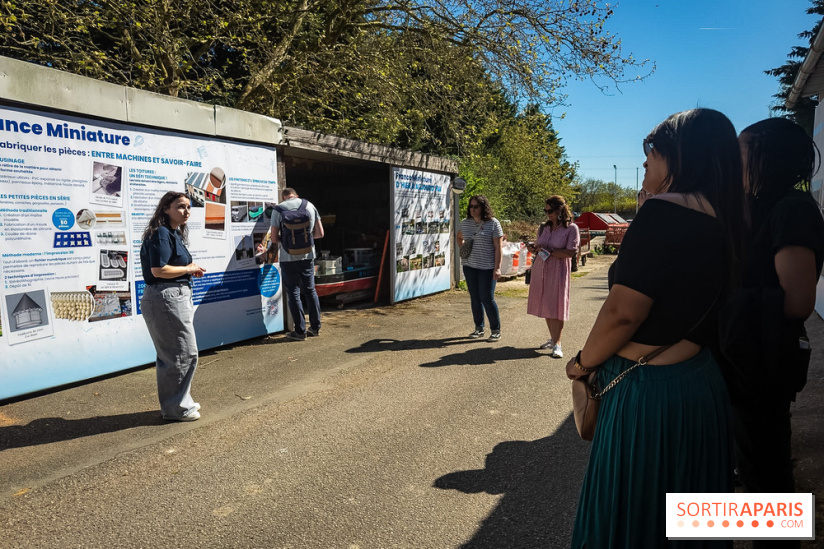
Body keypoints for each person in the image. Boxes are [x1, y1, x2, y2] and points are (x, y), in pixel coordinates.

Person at [567, 108, 745, 547]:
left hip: (648, 392)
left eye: (654, 150)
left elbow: (623, 314)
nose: (646, 160)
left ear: (681, 155)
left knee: (630, 514)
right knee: (685, 520)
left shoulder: (664, 211)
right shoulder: (726, 218)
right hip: (699, 384)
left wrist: (581, 364)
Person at [730, 118, 824, 543]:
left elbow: (798, 300)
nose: (732, 161)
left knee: (766, 474)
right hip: (748, 358)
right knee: (751, 469)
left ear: (767, 157)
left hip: (765, 363)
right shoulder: (764, 207)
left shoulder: (793, 209)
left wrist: (721, 301)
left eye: (740, 151)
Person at [139, 191, 207, 422]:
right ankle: (176, 408)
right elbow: (159, 270)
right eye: (180, 206)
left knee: (177, 353)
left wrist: (189, 269)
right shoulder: (161, 233)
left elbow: (170, 267)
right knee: (181, 353)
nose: (186, 211)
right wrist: (188, 269)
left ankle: (179, 401)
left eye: (188, 207)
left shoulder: (172, 233)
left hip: (172, 295)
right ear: (166, 209)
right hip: (166, 297)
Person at [526, 195, 580, 358]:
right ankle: (553, 338)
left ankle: (558, 343)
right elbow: (540, 247)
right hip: (541, 269)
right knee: (546, 305)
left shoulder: (571, 228)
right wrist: (534, 248)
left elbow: (570, 252)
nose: (547, 214)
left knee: (557, 306)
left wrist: (550, 251)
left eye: (550, 211)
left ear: (560, 210)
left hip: (558, 271)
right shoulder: (544, 228)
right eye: (546, 211)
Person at [268, 187, 324, 341]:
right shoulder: (309, 206)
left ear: (283, 197)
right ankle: (315, 328)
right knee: (310, 290)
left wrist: (288, 242)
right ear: (296, 195)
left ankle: (300, 332)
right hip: (308, 256)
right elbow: (320, 234)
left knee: (293, 292)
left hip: (288, 257)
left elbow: (274, 239)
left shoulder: (278, 210)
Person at [457, 195, 504, 342]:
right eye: (471, 206)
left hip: (487, 267)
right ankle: (479, 328)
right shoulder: (465, 223)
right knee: (475, 298)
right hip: (470, 266)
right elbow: (459, 237)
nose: (472, 209)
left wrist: (497, 268)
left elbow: (498, 247)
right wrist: (463, 249)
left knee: (487, 298)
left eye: (476, 206)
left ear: (483, 207)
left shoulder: (493, 223)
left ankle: (495, 330)